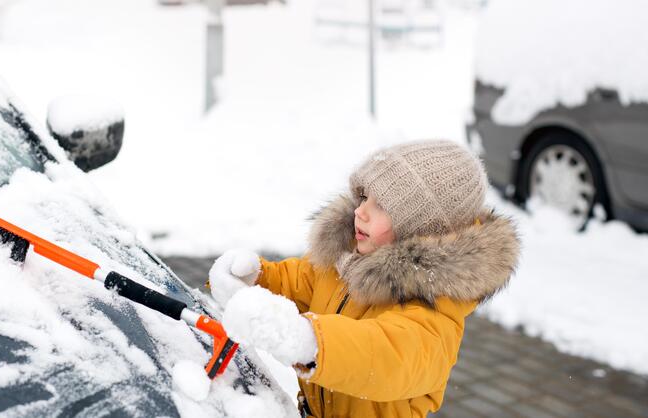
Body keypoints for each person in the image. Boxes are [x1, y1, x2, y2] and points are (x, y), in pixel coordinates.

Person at [208, 140, 520, 418]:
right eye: (364, 196)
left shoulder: (435, 312)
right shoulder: (349, 259)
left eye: (381, 205)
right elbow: (304, 282)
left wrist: (309, 341)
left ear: (422, 230)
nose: (361, 211)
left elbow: (387, 354)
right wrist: (258, 278)